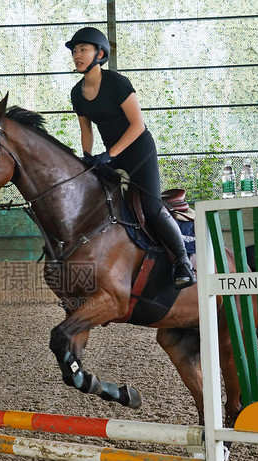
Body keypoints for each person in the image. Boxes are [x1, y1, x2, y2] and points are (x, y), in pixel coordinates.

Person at [66, 27, 196, 289]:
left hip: (138, 151)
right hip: (108, 156)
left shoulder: (117, 83)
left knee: (149, 205)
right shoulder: (76, 92)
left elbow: (138, 125)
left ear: (99, 53)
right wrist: (88, 159)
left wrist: (109, 155)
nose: (77, 55)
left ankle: (183, 263)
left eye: (83, 49)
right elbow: (86, 130)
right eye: (75, 51)